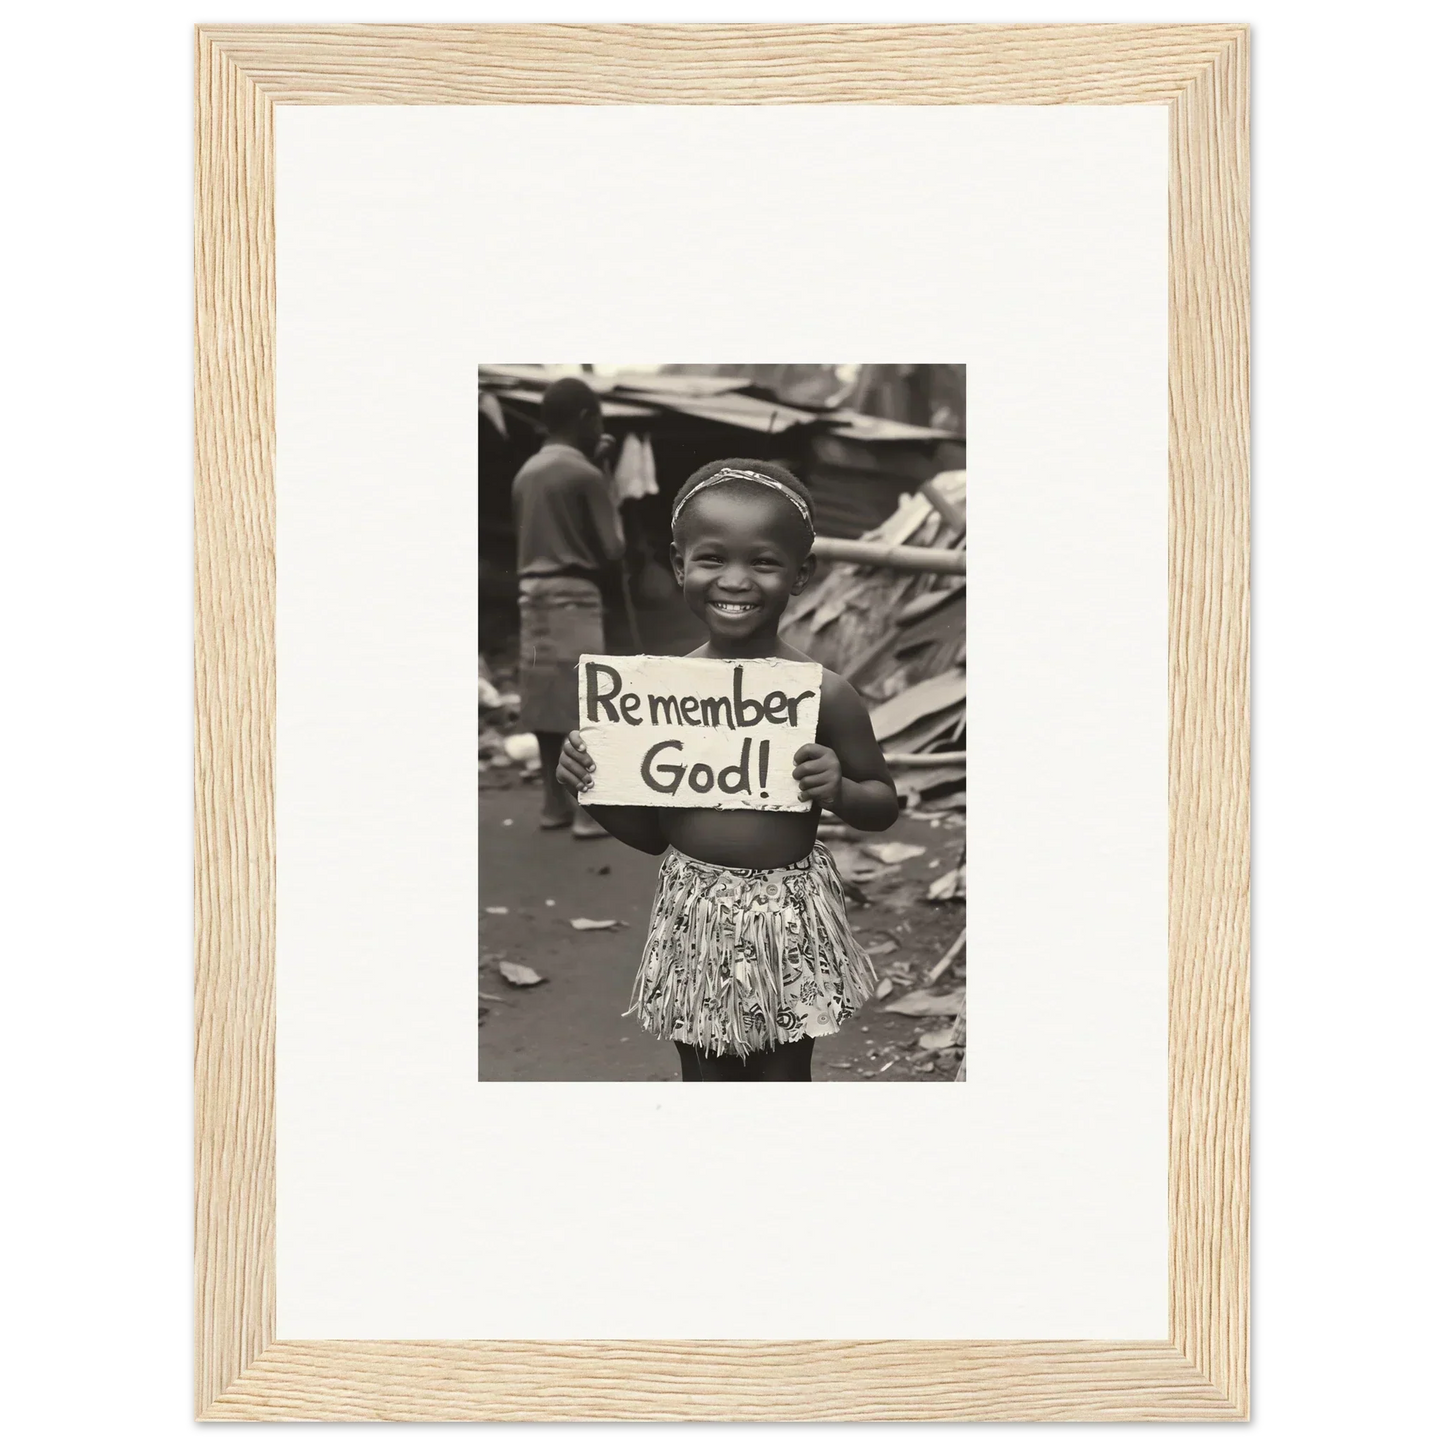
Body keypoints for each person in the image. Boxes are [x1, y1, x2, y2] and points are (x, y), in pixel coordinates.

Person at [555, 459, 899, 1080]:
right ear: (680, 564)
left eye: (763, 562)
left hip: (787, 916)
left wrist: (842, 790)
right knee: (706, 1077)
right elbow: (655, 834)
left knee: (783, 1077)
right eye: (713, 559)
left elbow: (883, 803)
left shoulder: (824, 695)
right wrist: (592, 790)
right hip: (695, 912)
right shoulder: (655, 700)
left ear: (801, 575)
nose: (735, 581)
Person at [512, 377, 624, 838]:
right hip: (576, 597)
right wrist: (604, 471)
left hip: (532, 599)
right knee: (587, 701)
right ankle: (587, 811)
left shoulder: (527, 473)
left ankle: (552, 805)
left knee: (544, 701)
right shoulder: (585, 474)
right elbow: (613, 548)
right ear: (585, 420)